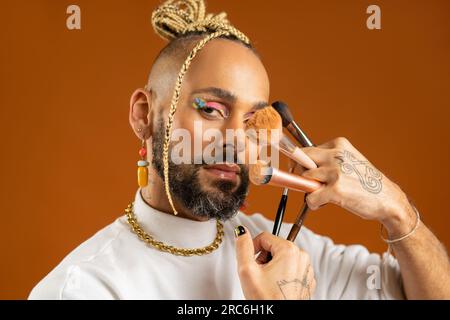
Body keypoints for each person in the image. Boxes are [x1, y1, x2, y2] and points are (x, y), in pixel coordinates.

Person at [29, 0, 449, 300]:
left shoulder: (284, 251)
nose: (235, 140)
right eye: (211, 109)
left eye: (254, 122)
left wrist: (396, 210)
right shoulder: (84, 288)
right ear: (144, 115)